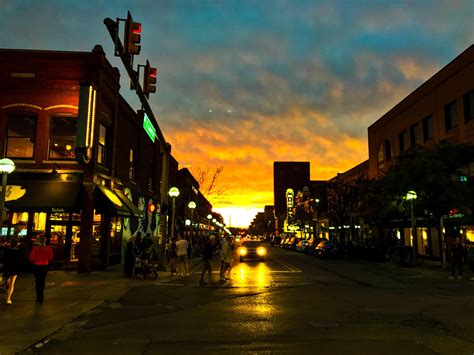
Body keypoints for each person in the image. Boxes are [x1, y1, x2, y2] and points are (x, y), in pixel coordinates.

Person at [29, 235, 53, 305]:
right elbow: (50, 258)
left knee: (37, 281)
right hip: (45, 266)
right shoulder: (49, 248)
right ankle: (41, 298)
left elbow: (31, 258)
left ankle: (38, 297)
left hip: (37, 266)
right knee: (42, 281)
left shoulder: (36, 248)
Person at [2, 240, 23, 305]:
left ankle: (6, 294)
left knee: (7, 282)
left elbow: (3, 259)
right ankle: (8, 298)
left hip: (7, 268)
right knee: (12, 283)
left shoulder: (7, 251)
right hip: (15, 268)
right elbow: (20, 261)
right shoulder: (19, 252)